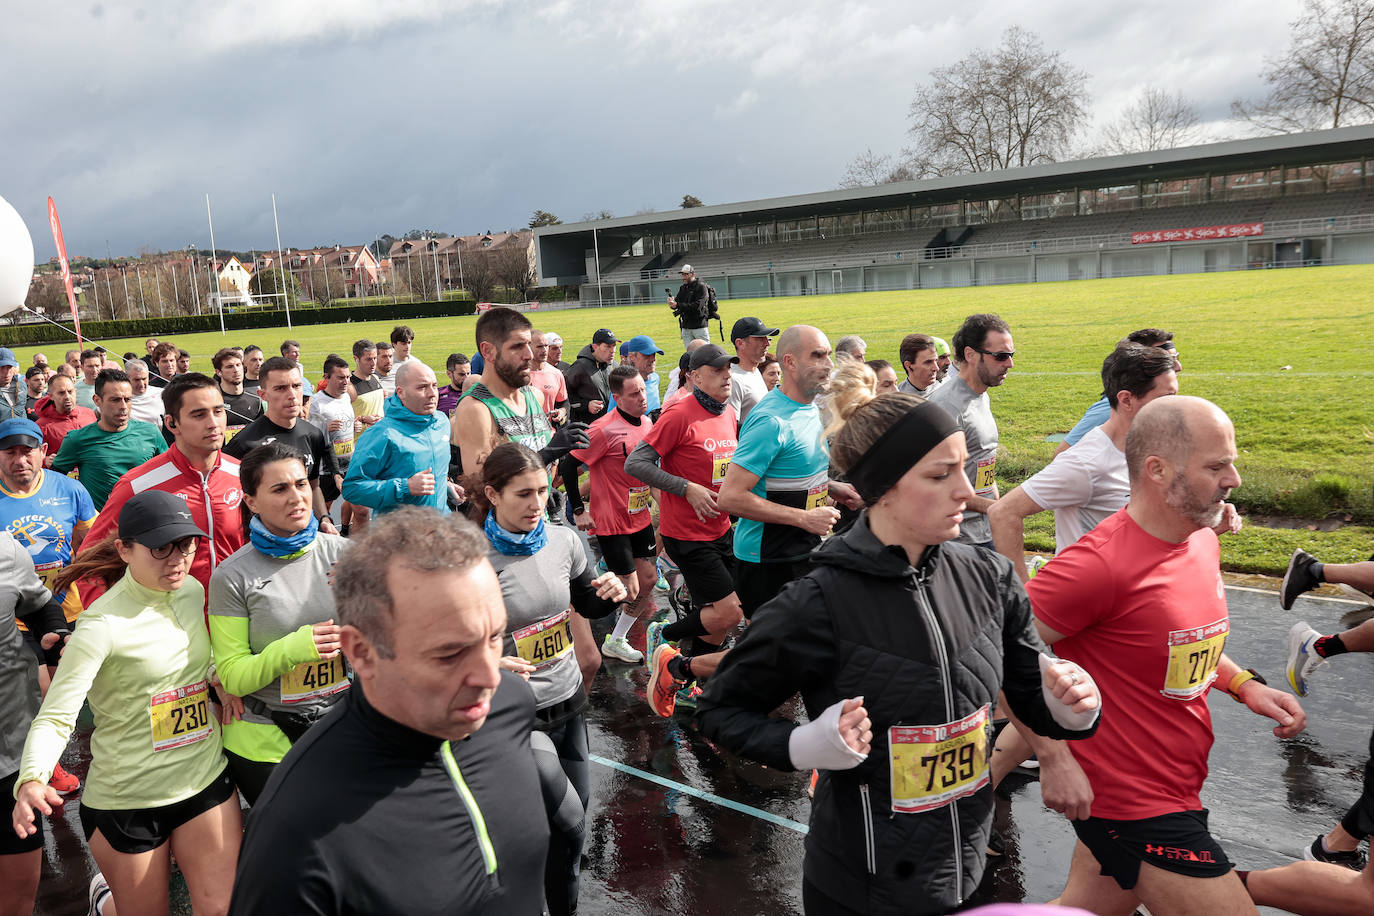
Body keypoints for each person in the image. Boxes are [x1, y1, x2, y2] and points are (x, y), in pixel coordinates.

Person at [695, 389, 1103, 916]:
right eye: (940, 475)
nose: (966, 491)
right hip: (861, 886)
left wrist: (1073, 710)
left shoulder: (991, 576)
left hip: (967, 867)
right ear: (882, 489)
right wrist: (801, 745)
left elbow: (1027, 688)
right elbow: (720, 710)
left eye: (963, 470)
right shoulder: (816, 601)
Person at [1026, 396, 1305, 916]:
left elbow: (1182, 643)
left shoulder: (1201, 541)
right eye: (1216, 466)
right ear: (1156, 469)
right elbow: (995, 653)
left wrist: (1245, 684)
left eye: (1232, 462)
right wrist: (1053, 758)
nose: (1234, 480)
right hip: (1130, 803)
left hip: (1179, 782)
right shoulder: (1097, 566)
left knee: (1085, 910)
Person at [227, 507, 550, 915]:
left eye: (494, 637)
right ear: (361, 652)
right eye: (450, 653)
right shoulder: (295, 828)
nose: (490, 677)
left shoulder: (509, 706)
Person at [12, 490, 241, 916]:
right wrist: (31, 779)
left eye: (186, 544)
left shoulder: (191, 590)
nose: (178, 559)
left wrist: (216, 677)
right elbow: (57, 717)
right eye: (161, 548)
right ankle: (106, 903)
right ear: (125, 549)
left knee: (222, 908)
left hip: (203, 778)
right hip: (128, 801)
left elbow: (199, 653)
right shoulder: (101, 626)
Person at [472, 443, 627, 915]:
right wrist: (486, 659)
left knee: (568, 841)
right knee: (570, 820)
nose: (536, 503)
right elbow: (438, 643)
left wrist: (611, 593)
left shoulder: (564, 541)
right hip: (517, 717)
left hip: (569, 703)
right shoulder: (470, 560)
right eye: (523, 494)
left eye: (542, 491)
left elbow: (587, 602)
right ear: (493, 494)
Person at [208, 444, 350, 805]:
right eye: (279, 489)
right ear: (251, 502)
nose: (297, 498)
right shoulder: (232, 575)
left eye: (301, 484)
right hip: (267, 740)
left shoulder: (345, 555)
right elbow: (235, 677)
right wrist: (295, 648)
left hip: (342, 727)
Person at [988, 343, 1180, 582]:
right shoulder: (1087, 463)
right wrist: (1024, 598)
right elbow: (1003, 512)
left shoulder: (1154, 447)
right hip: (1092, 607)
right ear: (1127, 400)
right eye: (1167, 398)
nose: (1176, 407)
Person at [625, 344, 741, 712]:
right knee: (730, 612)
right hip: (687, 534)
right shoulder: (678, 414)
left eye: (729, 369)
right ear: (694, 376)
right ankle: (665, 634)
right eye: (718, 369)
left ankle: (687, 682)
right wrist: (685, 488)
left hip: (721, 526)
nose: (727, 376)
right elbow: (636, 463)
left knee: (718, 624)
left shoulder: (728, 412)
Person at [86, 373, 246, 610]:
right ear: (171, 424)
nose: (213, 423)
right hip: (169, 627)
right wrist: (109, 622)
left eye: (218, 411)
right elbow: (91, 561)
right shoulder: (138, 483)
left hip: (236, 622)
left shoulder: (244, 474)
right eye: (199, 414)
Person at [561, 366, 658, 664]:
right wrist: (578, 509)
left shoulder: (647, 423)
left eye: (642, 390)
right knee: (630, 587)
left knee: (649, 580)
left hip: (639, 516)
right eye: (634, 393)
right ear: (616, 397)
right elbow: (568, 465)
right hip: (612, 522)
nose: (642, 397)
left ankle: (615, 639)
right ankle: (580, 606)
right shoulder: (602, 429)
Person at [0, 529, 69, 916]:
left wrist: (54, 633)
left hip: (10, 747)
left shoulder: (6, 549)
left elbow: (40, 606)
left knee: (16, 895)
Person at [223, 357, 340, 534]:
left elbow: (313, 486)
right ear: (262, 395)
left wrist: (324, 518)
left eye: (296, 386)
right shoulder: (245, 444)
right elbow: (230, 499)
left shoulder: (313, 434)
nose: (292, 395)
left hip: (304, 534)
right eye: (280, 388)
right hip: (263, 541)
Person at [928, 313, 1015, 548]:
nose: (1010, 363)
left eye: (1011, 355)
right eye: (1001, 356)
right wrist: (995, 508)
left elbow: (983, 463)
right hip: (957, 540)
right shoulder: (946, 405)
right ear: (970, 355)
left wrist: (997, 514)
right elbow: (934, 481)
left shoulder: (981, 395)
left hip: (985, 531)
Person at [0, 417, 96, 625]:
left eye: (27, 452)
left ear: (43, 451)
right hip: (11, 621)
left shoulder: (71, 489)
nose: (20, 461)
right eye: (10, 453)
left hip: (68, 611)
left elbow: (91, 547)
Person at [343, 361, 456, 516]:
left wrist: (445, 485)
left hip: (440, 530)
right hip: (400, 535)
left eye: (434, 385)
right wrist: (405, 487)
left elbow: (430, 469)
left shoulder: (442, 422)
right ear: (401, 392)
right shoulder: (381, 434)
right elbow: (352, 489)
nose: (432, 394)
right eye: (422, 387)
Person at [50, 368, 167, 510]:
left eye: (128, 399)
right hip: (102, 527)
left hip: (146, 521)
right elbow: (54, 484)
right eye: (115, 400)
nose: (123, 406)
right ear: (97, 400)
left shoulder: (150, 432)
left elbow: (168, 473)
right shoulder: (77, 439)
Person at [1055, 328, 1181, 457]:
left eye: (1176, 357)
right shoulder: (1110, 409)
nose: (1179, 366)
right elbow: (1062, 454)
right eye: (1169, 360)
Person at [307, 354, 362, 520]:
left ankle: (346, 532)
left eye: (347, 377)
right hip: (327, 468)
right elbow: (310, 433)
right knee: (324, 509)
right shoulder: (317, 402)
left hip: (349, 463)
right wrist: (324, 427)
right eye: (340, 378)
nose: (345, 381)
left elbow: (345, 423)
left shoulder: (346, 397)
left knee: (359, 506)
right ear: (326, 377)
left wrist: (355, 426)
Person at [727, 316, 779, 424]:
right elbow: (731, 427)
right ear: (740, 343)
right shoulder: (733, 380)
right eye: (760, 339)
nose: (767, 343)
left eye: (767, 338)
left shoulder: (755, 371)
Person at [34, 372, 96, 456]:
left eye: (70, 392)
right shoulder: (41, 426)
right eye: (61, 393)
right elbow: (33, 456)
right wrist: (45, 461)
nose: (67, 396)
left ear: (75, 391)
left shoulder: (89, 414)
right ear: (51, 396)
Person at [564, 329, 617, 426]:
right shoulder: (580, 367)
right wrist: (585, 405)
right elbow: (563, 396)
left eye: (614, 346)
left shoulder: (614, 365)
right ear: (595, 347)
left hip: (612, 425)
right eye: (608, 346)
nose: (612, 350)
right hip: (589, 427)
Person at [212, 347, 262, 440]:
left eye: (238, 365)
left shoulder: (256, 400)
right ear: (219, 372)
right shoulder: (213, 401)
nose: (236, 370)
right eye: (229, 366)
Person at [667, 264, 713, 348]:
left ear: (693, 274)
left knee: (705, 353)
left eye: (686, 274)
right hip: (686, 327)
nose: (683, 277)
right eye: (682, 274)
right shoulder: (683, 288)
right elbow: (678, 303)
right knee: (689, 355)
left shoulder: (701, 287)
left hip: (699, 326)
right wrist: (672, 304)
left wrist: (678, 304)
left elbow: (697, 305)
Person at [348, 339, 386, 437]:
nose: (373, 363)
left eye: (375, 358)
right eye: (368, 359)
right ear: (356, 359)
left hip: (381, 439)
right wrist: (364, 419)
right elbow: (340, 419)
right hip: (361, 444)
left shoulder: (376, 378)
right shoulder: (349, 386)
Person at [528, 332, 568, 424]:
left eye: (546, 346)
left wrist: (562, 412)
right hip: (524, 435)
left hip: (550, 433)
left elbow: (564, 402)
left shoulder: (556, 373)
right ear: (528, 347)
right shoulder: (516, 375)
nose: (544, 350)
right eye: (539, 346)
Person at [619, 335, 662, 418]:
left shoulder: (655, 378)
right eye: (647, 355)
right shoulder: (623, 385)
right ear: (632, 357)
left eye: (654, 354)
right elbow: (613, 419)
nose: (653, 359)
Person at [898, 333, 943, 397]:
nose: (936, 368)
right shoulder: (899, 401)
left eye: (936, 360)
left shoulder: (942, 389)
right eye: (928, 362)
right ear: (908, 366)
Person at [438, 352, 472, 417]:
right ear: (449, 374)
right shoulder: (438, 395)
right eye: (461, 374)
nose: (466, 378)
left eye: (468, 373)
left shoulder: (478, 394)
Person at [0, 349, 26, 424]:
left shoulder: (22, 385)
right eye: (1, 367)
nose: (7, 372)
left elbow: (22, 410)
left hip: (21, 431)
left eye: (9, 367)